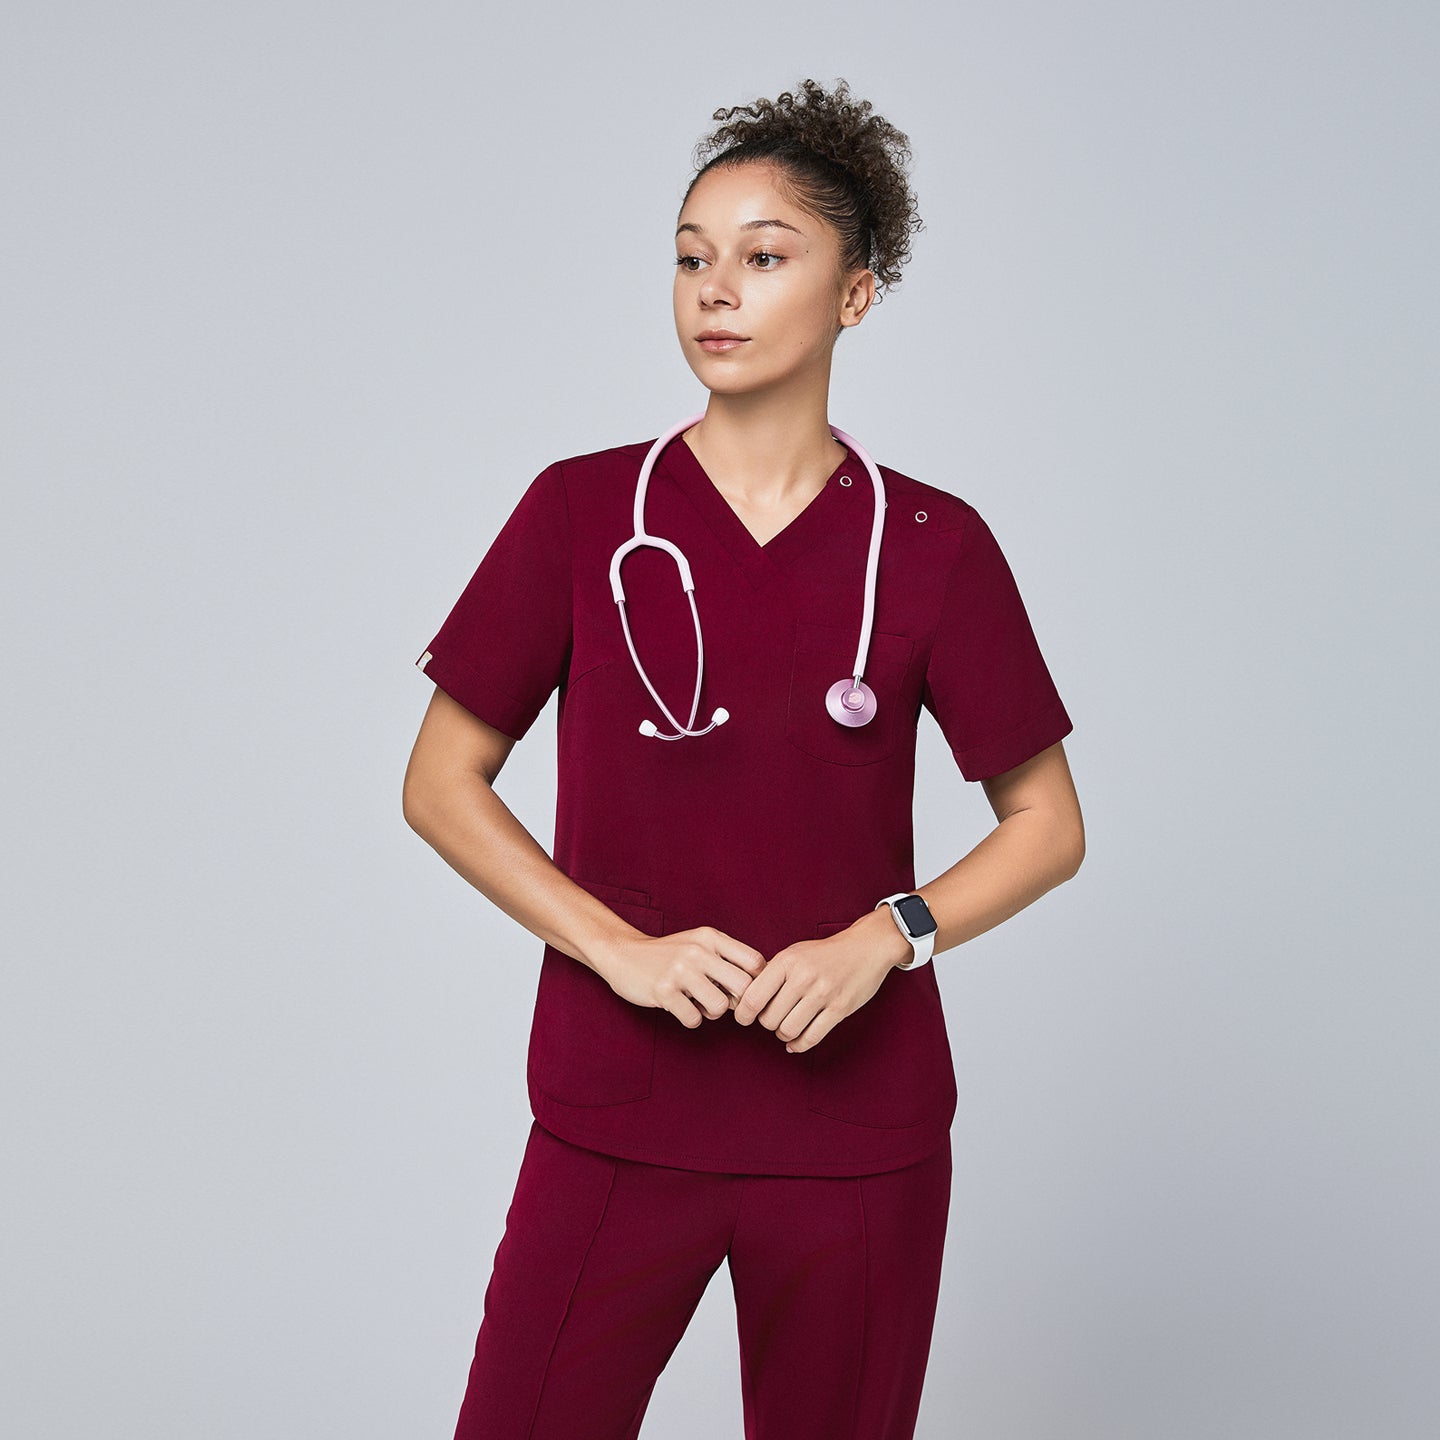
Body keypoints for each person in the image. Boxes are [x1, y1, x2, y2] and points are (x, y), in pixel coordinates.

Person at [403, 76, 1084, 1440]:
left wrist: (888, 937)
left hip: (857, 1137)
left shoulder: (935, 547)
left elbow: (1047, 824)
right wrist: (620, 953)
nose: (716, 290)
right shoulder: (582, 513)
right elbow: (439, 783)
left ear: (856, 296)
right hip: (620, 1111)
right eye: (691, 257)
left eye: (765, 258)